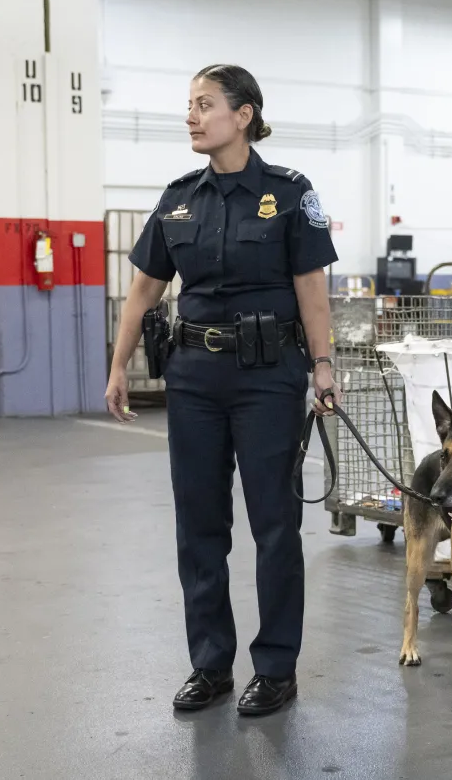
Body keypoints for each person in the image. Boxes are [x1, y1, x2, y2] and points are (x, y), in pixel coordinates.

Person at [105, 65, 340, 718]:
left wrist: (323, 365)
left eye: (204, 104)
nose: (191, 115)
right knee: (200, 524)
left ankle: (276, 666)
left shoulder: (290, 194)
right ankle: (210, 663)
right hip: (194, 379)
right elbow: (145, 289)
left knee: (274, 524)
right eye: (189, 104)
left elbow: (312, 289)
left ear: (243, 114)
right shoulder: (179, 198)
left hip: (269, 376)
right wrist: (120, 364)